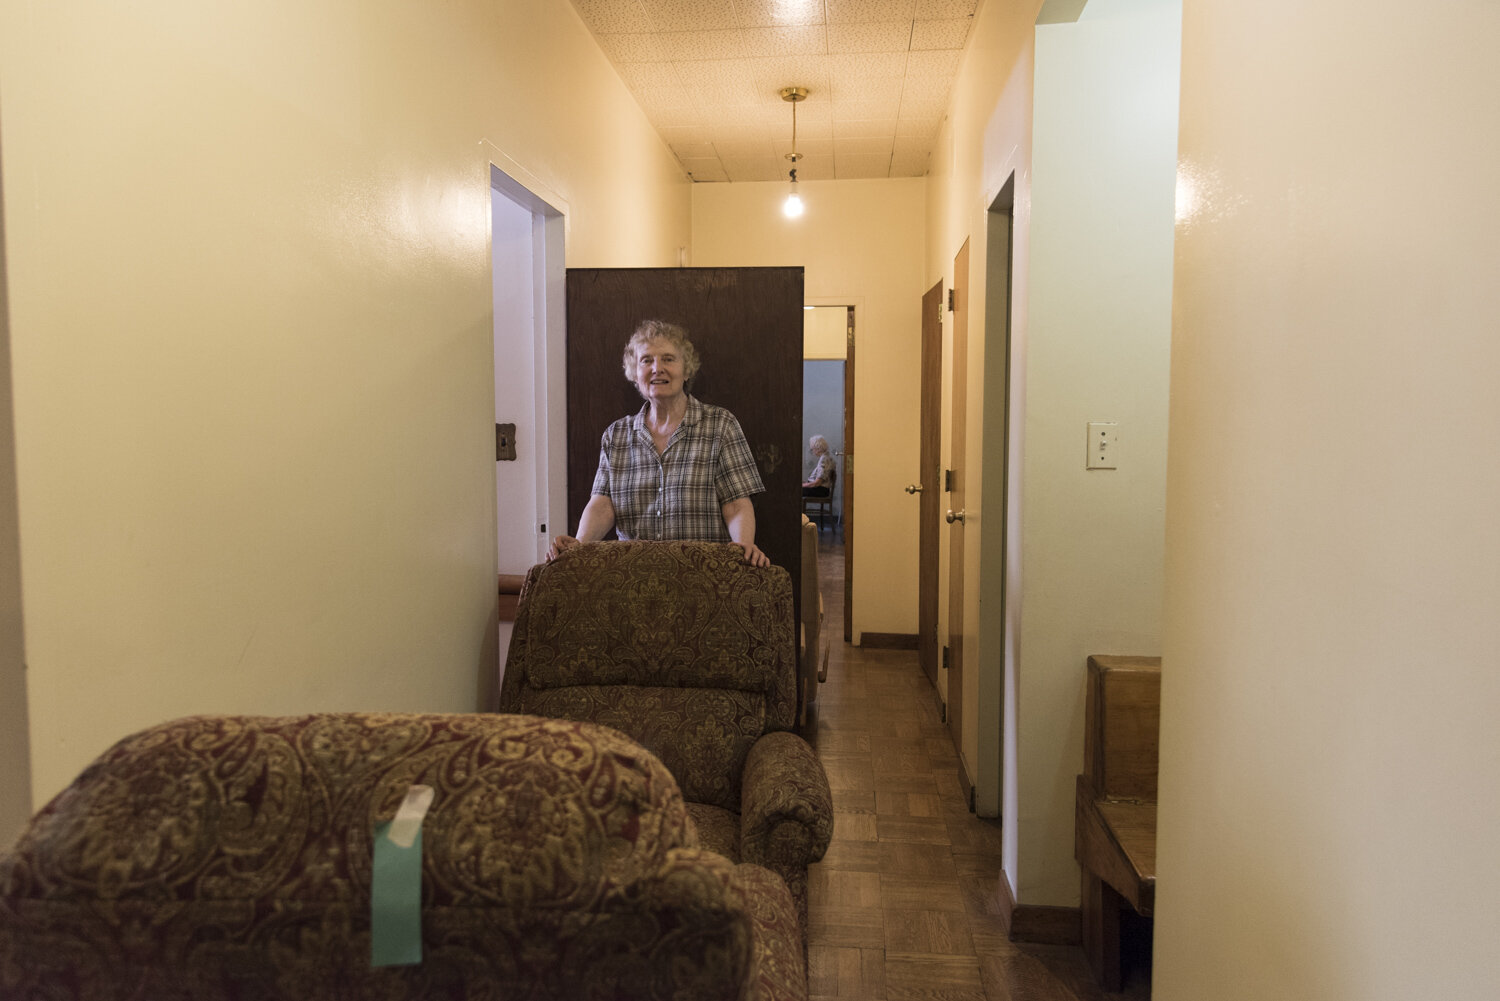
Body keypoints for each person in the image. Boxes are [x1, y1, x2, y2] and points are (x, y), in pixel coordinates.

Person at [548, 320, 770, 567]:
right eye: (646, 360)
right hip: (633, 579)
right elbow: (602, 504)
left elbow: (736, 503)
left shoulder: (721, 425)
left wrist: (743, 545)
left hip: (703, 577)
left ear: (686, 371)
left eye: (668, 359)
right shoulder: (616, 435)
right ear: (635, 373)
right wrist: (580, 545)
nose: (657, 369)